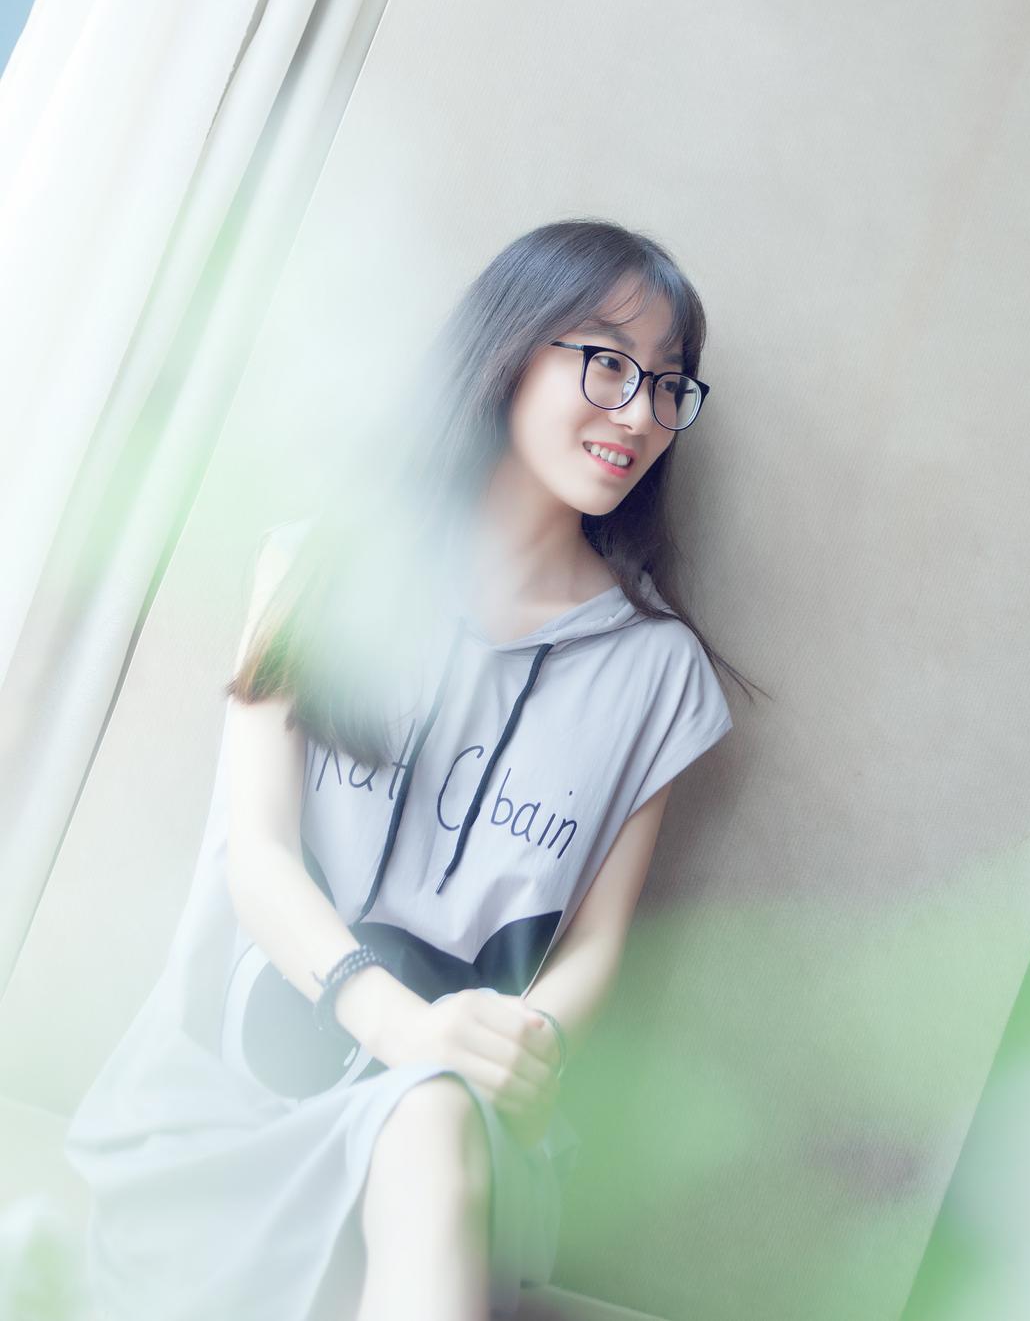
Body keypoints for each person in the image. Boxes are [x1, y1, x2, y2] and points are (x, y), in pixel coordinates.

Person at [64, 217, 765, 1321]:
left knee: (431, 1112)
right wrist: (396, 1024)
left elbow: (593, 944)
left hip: (464, 1117)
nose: (639, 414)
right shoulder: (323, 565)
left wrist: (514, 1047)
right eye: (608, 363)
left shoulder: (657, 673)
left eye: (669, 384)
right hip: (231, 1091)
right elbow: (256, 855)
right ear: (510, 348)